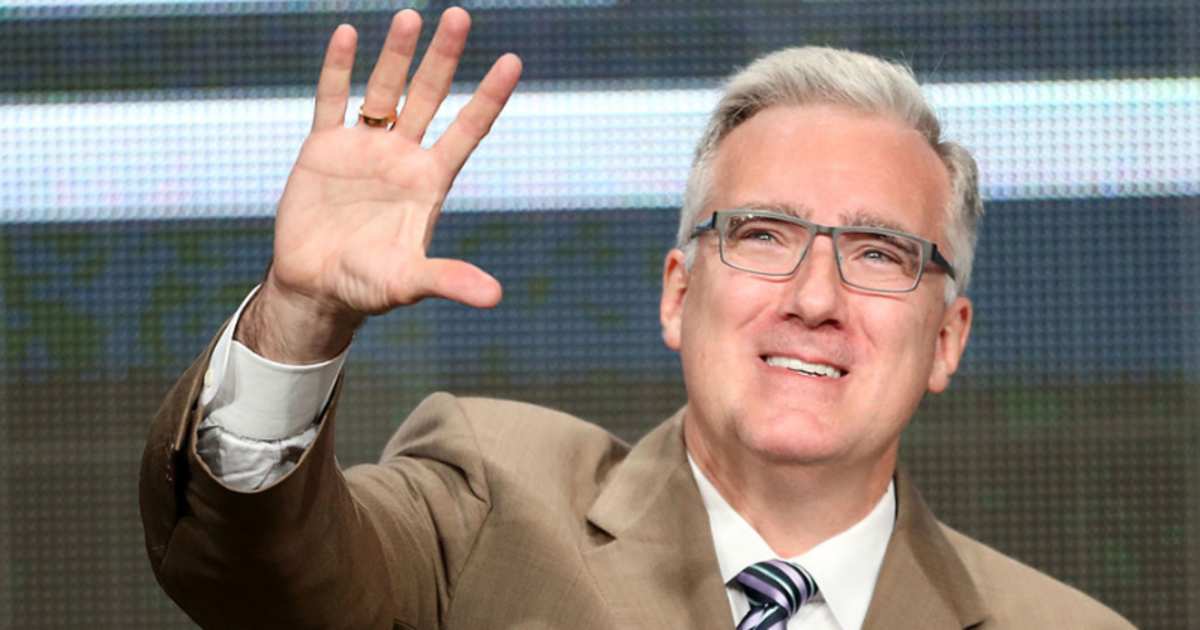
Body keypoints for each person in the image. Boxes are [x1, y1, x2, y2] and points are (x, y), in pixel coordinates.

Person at [140, 7, 1134, 630]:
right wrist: (301, 316)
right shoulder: (491, 504)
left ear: (948, 338)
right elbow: (258, 582)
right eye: (761, 234)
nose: (817, 299)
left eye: (878, 255)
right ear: (677, 291)